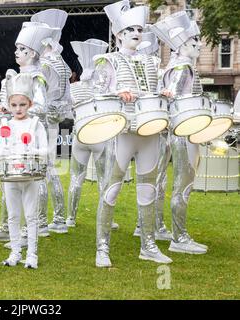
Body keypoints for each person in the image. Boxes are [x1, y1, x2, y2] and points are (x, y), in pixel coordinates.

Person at [92, 0, 172, 267]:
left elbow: (154, 92)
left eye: (139, 29)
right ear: (118, 35)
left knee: (148, 190)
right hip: (122, 132)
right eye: (130, 30)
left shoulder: (151, 62)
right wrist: (118, 93)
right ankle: (102, 248)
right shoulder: (108, 61)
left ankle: (148, 245)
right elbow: (97, 95)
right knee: (111, 189)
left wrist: (163, 93)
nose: (136, 34)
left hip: (150, 131)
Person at [0, 22, 57, 243]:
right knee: (8, 178)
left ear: (32, 53)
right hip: (12, 135)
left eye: (22, 49)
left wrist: (22, 108)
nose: (17, 53)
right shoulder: (12, 77)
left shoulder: (37, 78)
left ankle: (35, 227)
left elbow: (42, 107)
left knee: (34, 180)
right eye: (16, 48)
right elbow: (9, 106)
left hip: (32, 135)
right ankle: (7, 226)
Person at [151, 11, 208, 254]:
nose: (199, 45)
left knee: (161, 180)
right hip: (184, 129)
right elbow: (174, 95)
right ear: (182, 45)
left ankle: (157, 227)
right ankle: (179, 238)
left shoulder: (170, 66)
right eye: (194, 42)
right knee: (183, 183)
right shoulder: (184, 67)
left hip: (168, 130)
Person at [0, 72, 48, 269]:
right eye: (14, 105)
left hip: (29, 177)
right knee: (13, 216)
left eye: (22, 105)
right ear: (9, 105)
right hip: (10, 178)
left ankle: (32, 254)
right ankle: (15, 252)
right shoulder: (5, 124)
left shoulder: (36, 124)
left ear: (30, 104)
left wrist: (32, 151)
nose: (18, 109)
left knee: (31, 216)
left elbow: (45, 150)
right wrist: (3, 150)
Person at [66, 39, 117, 229]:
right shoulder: (102, 90)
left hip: (80, 134)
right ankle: (106, 219)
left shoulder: (74, 88)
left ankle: (71, 217)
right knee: (104, 179)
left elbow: (67, 109)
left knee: (76, 178)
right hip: (99, 136)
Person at [30, 9, 71, 234]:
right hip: (55, 117)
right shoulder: (62, 63)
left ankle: (43, 222)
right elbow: (67, 97)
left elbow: (42, 98)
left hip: (44, 119)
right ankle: (59, 218)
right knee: (51, 170)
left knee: (42, 172)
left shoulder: (44, 65)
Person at [132, 26, 173, 241]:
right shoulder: (139, 70)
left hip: (160, 130)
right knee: (151, 179)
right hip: (147, 129)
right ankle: (146, 225)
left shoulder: (159, 72)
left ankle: (153, 223)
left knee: (159, 179)